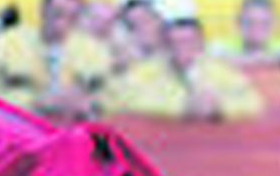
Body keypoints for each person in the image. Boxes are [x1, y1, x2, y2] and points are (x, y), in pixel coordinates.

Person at [0, 0, 110, 120]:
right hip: (20, 128)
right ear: (43, 9)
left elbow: (109, 97)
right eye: (57, 15)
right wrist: (35, 102)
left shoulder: (94, 52)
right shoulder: (6, 45)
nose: (62, 26)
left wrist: (87, 104)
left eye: (71, 18)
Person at [105, 15, 263, 121]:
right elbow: (116, 99)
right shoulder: (145, 71)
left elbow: (254, 102)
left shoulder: (220, 71)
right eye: (175, 42)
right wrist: (181, 105)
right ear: (165, 44)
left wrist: (218, 107)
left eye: (188, 42)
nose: (182, 48)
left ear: (200, 45)